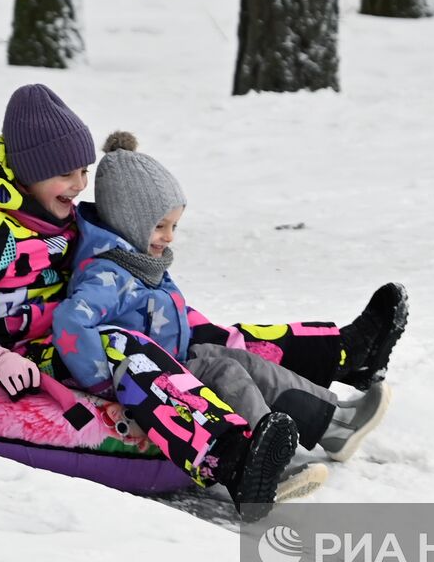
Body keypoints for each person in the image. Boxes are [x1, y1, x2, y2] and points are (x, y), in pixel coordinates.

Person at [0, 84, 407, 519]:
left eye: (84, 171)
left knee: (197, 331)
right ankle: (231, 456)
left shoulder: (60, 214)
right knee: (130, 346)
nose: (79, 185)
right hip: (33, 354)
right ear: (31, 171)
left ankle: (343, 353)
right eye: (67, 174)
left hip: (84, 328)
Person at [53, 131, 394, 468]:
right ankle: (267, 454)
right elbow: (72, 320)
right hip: (156, 379)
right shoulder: (107, 274)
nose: (169, 237)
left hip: (178, 358)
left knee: (243, 362)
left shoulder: (141, 260)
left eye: (174, 226)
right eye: (160, 226)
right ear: (129, 221)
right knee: (228, 375)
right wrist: (100, 381)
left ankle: (335, 422)